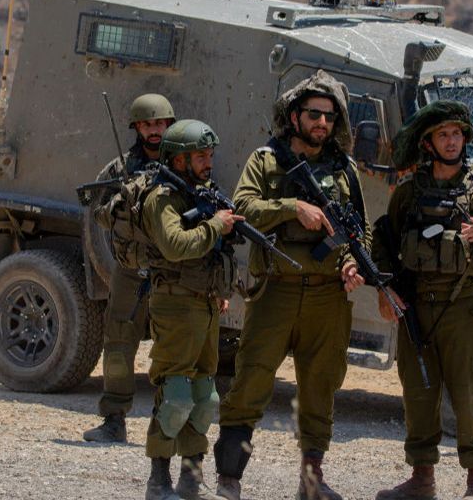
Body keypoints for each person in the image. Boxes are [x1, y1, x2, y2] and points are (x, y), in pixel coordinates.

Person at [213, 70, 366, 500]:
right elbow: (241, 207)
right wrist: (291, 207)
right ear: (295, 116)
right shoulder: (266, 160)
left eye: (330, 117)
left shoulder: (344, 170)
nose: (322, 123)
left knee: (321, 388)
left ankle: (311, 483)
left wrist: (353, 263)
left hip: (327, 296)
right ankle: (229, 477)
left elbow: (362, 232)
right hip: (275, 290)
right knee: (252, 381)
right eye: (314, 114)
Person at [372, 100, 473, 500]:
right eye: (443, 135)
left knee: (470, 397)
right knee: (418, 395)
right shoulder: (408, 193)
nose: (451, 142)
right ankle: (422, 481)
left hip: (463, 308)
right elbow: (382, 242)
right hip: (416, 308)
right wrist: (386, 289)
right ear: (428, 143)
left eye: (456, 135)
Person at [142, 119, 238, 500]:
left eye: (209, 155)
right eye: (200, 156)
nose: (207, 163)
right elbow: (176, 245)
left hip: (206, 303)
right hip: (175, 305)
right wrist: (216, 226)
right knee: (176, 395)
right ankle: (157, 480)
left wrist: (222, 286)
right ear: (179, 160)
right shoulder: (161, 198)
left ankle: (191, 476)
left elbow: (215, 253)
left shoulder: (203, 194)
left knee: (204, 397)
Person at [83, 93, 176, 443]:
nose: (154, 131)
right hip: (130, 270)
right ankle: (114, 420)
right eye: (147, 125)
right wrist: (123, 209)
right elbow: (98, 212)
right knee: (119, 342)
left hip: (172, 272)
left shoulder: (184, 163)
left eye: (160, 124)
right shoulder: (118, 169)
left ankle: (167, 424)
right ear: (137, 127)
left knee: (172, 349)